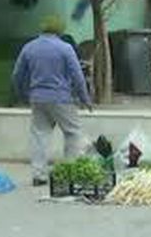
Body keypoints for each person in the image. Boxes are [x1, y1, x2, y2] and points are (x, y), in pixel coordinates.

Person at [12, 15, 92, 186]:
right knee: (72, 133)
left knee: (39, 135)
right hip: (61, 98)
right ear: (60, 30)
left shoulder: (29, 48)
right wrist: (85, 98)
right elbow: (77, 76)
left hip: (37, 98)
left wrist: (22, 94)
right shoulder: (65, 48)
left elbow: (17, 75)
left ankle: (38, 175)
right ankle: (71, 172)